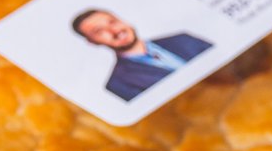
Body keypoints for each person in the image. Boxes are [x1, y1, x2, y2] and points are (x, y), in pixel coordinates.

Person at [72, 9, 212, 103]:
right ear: (92, 42)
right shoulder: (118, 84)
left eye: (113, 22)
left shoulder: (184, 39)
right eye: (99, 31)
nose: (114, 30)